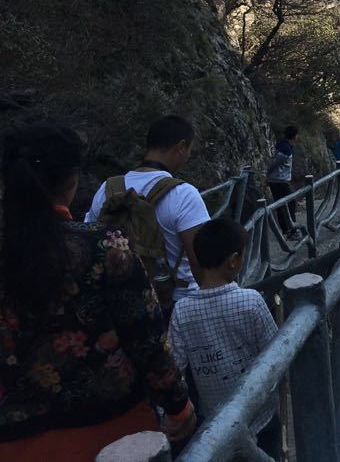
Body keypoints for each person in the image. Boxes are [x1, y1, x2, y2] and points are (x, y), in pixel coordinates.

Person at [0, 124, 196, 459]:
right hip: (112, 436)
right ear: (71, 180)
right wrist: (179, 407)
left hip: (14, 441)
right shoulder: (103, 246)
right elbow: (146, 339)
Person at [168, 218, 280, 458]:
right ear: (233, 261)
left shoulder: (182, 310)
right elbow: (276, 354)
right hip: (260, 414)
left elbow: (176, 367)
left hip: (215, 420)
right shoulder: (251, 301)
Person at [85, 115, 210, 303]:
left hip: (117, 300)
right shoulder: (184, 194)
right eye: (189, 150)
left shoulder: (108, 188)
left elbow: (89, 238)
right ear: (181, 147)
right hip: (175, 302)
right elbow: (201, 259)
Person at [265, 126, 301, 241]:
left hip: (278, 179)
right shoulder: (285, 148)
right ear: (294, 135)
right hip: (279, 180)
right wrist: (267, 175)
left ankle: (287, 229)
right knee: (289, 204)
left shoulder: (283, 145)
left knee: (282, 204)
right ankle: (290, 229)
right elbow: (275, 163)